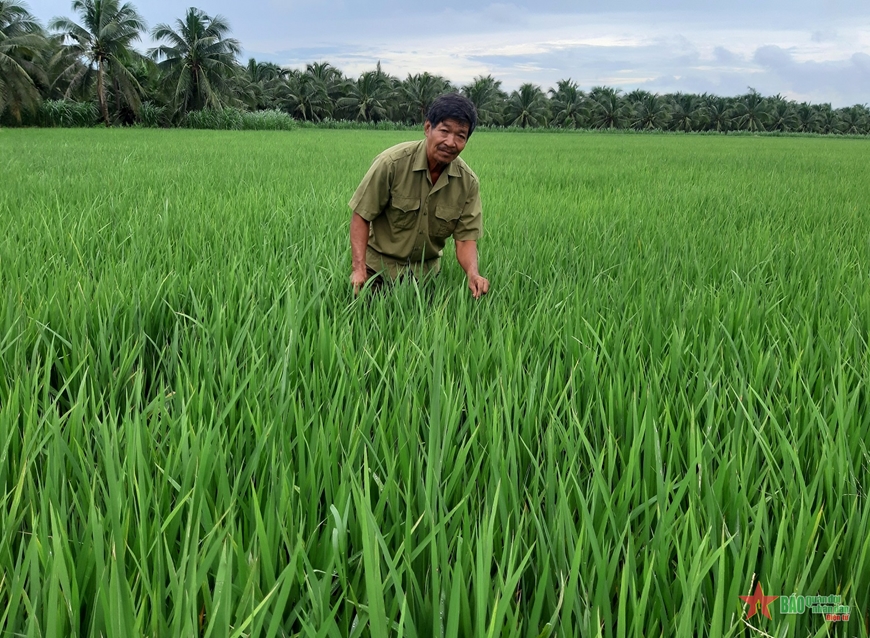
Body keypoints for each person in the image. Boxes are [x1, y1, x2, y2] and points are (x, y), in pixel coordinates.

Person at [348, 93, 490, 299]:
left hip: (425, 277)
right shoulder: (391, 163)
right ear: (427, 128)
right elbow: (361, 215)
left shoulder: (467, 182)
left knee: (425, 327)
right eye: (444, 131)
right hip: (377, 272)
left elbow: (465, 238)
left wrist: (473, 274)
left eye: (461, 135)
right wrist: (359, 268)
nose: (451, 142)